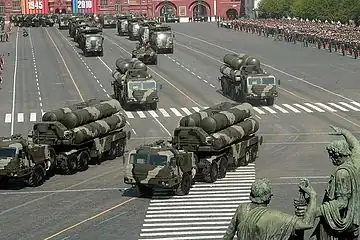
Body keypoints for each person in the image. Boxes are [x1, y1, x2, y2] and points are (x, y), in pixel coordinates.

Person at [308, 126, 360, 239]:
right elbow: (356, 145)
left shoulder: (342, 173)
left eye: (332, 156)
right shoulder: (355, 162)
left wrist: (317, 211)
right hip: (352, 221)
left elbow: (342, 202)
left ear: (337, 155)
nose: (331, 159)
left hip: (341, 221)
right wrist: (345, 132)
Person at [222, 178, 317, 240]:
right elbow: (307, 224)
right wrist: (313, 195)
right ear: (269, 198)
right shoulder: (276, 217)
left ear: (251, 195)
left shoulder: (241, 209)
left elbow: (228, 236)